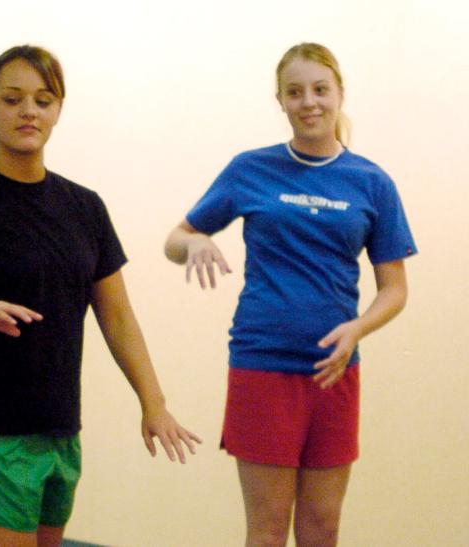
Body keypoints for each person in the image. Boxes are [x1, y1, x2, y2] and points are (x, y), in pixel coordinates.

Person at [0, 44, 200, 546]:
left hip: (62, 430)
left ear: (58, 109)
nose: (29, 111)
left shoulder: (85, 208)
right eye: (13, 98)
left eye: (43, 100)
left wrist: (153, 404)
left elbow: (118, 316)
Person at [163, 42, 416, 547]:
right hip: (262, 365)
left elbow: (395, 289)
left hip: (334, 370)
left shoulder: (372, 182)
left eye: (320, 90)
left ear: (340, 94)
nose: (310, 102)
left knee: (322, 526)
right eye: (295, 92)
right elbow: (175, 239)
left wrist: (357, 328)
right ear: (280, 101)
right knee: (269, 526)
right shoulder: (250, 169)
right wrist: (193, 243)